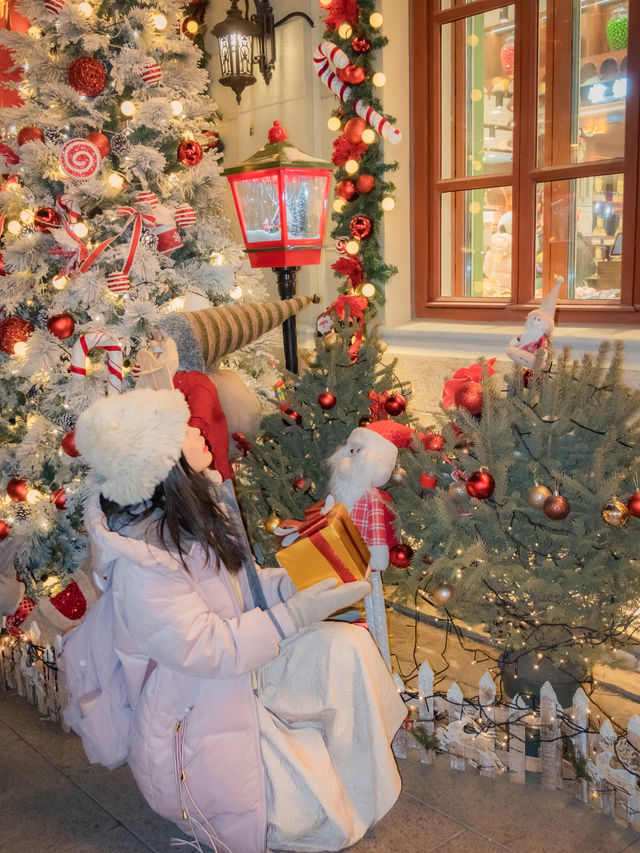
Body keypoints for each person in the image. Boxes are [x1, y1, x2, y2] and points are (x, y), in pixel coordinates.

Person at [75, 387, 407, 853]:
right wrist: (293, 614)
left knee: (344, 646)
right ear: (162, 464)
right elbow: (205, 647)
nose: (198, 429)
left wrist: (294, 586)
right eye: (184, 427)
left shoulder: (192, 513)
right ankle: (302, 787)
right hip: (200, 711)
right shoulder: (142, 566)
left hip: (239, 667)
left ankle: (349, 771)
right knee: (314, 822)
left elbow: (240, 588)